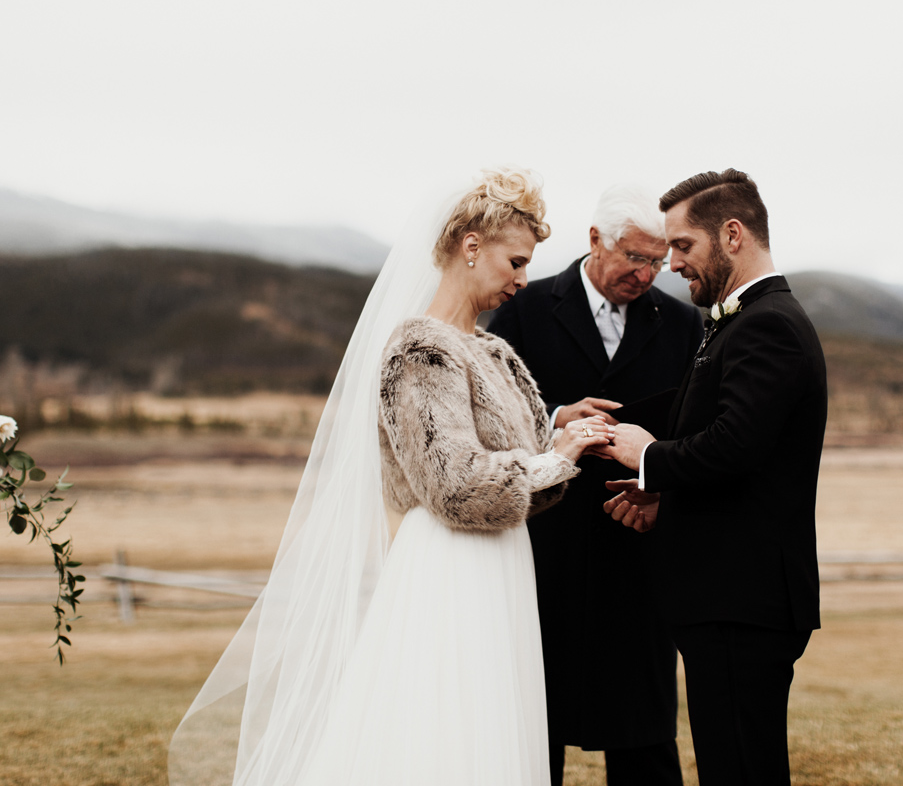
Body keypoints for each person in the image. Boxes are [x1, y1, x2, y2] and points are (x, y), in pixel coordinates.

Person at [169, 168, 613, 786]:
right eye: (515, 261)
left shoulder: (496, 354)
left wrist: (568, 448)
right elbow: (453, 484)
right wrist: (555, 457)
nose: (523, 278)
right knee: (442, 731)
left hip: (502, 563)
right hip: (449, 566)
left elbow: (534, 466)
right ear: (471, 246)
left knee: (491, 729)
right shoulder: (418, 351)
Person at [603, 169, 826, 785]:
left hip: (742, 602)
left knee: (742, 771)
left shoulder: (770, 324)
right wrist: (662, 498)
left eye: (682, 246)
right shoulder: (738, 322)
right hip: (725, 600)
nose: (671, 264)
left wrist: (647, 457)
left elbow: (734, 446)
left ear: (732, 234)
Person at [487, 184, 702, 786]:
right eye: (634, 257)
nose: (647, 273)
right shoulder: (525, 311)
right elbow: (493, 412)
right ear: (594, 241)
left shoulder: (686, 325)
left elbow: (694, 425)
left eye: (658, 261)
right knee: (538, 716)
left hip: (637, 547)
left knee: (644, 725)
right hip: (546, 547)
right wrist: (556, 416)